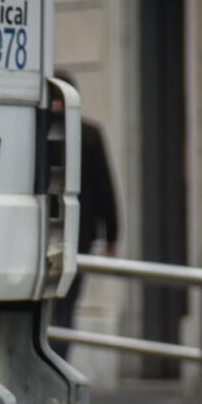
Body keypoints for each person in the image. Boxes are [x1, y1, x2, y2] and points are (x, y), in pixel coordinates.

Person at [51, 70, 119, 345]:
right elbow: (105, 187)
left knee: (57, 306)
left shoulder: (38, 132)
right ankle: (57, 359)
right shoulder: (88, 135)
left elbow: (104, 186)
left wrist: (112, 233)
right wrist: (112, 234)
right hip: (77, 234)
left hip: (60, 233)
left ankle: (53, 358)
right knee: (64, 306)